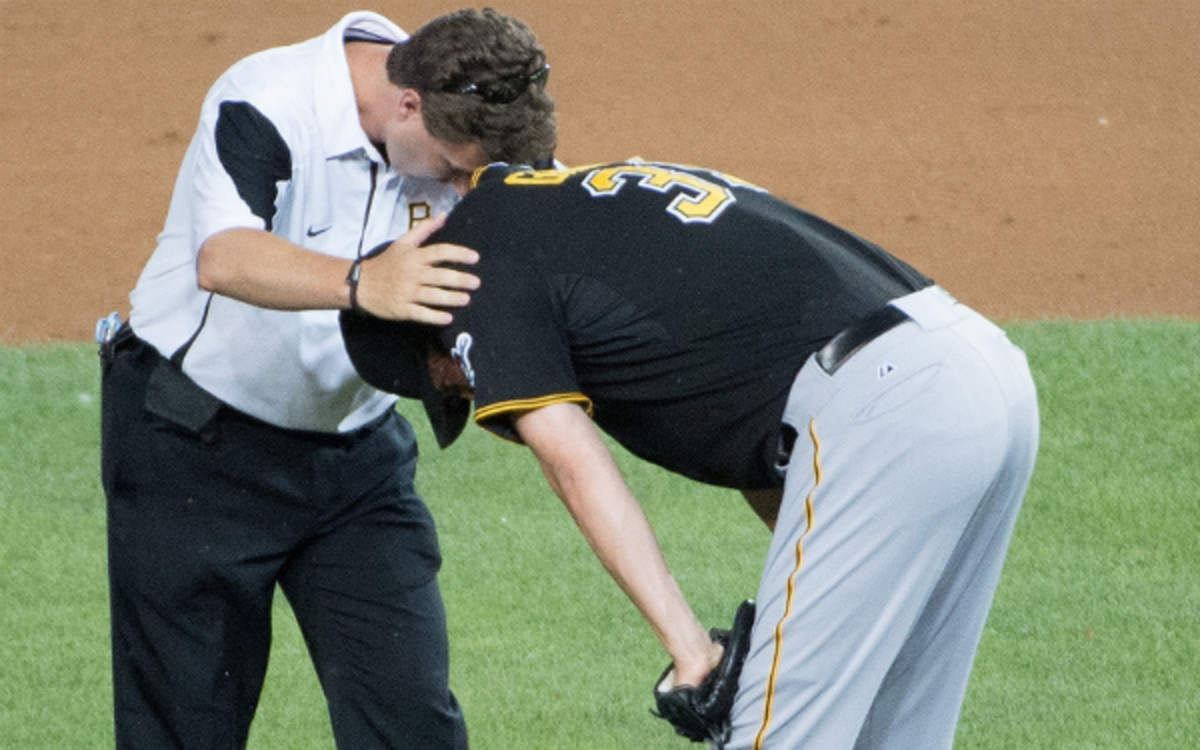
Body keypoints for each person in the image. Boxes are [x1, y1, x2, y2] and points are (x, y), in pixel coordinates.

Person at [342, 160, 1040, 749]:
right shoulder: (588, 219)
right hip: (979, 376)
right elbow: (759, 406)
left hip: (886, 407)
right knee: (890, 730)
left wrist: (692, 653)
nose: (468, 388)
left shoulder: (478, 280)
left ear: (433, 338)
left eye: (449, 382)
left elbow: (574, 466)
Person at [98, 9, 555, 749]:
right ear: (408, 104)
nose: (461, 185)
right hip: (193, 447)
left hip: (356, 462)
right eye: (449, 167)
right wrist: (363, 282)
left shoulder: (468, 128)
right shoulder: (269, 97)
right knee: (186, 726)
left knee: (411, 723)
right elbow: (225, 255)